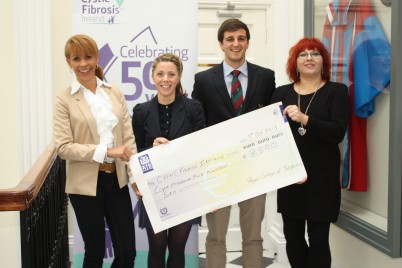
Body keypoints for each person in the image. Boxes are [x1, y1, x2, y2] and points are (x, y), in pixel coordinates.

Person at [192, 18, 276, 268]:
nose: (235, 43)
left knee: (253, 235)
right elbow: (199, 124)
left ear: (248, 42)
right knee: (216, 236)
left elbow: (273, 122)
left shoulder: (266, 76)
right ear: (221, 44)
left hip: (255, 167)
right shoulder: (204, 79)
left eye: (241, 38)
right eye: (230, 39)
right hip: (218, 170)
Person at [53, 34, 136, 268]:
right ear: (69, 62)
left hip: (116, 179)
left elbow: (128, 139)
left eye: (88, 57)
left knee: (127, 252)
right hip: (84, 185)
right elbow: (63, 147)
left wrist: (134, 175)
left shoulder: (113, 92)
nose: (83, 64)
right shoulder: (63, 99)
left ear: (97, 58)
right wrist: (107, 151)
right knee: (94, 252)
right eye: (76, 58)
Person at [270, 37, 350, 268]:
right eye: (303, 54)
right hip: (290, 176)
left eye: (315, 53)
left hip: (322, 179)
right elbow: (271, 136)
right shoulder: (280, 93)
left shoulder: (337, 91)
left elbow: (337, 132)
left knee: (318, 239)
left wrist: (305, 119)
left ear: (323, 61)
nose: (309, 58)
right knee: (293, 238)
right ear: (295, 63)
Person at [131, 53, 205, 268]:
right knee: (156, 248)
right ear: (152, 77)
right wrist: (152, 149)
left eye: (171, 74)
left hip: (185, 187)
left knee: (177, 248)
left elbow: (201, 147)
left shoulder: (193, 108)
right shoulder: (141, 111)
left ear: (179, 76)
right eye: (160, 74)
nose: (166, 79)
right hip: (154, 189)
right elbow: (135, 152)